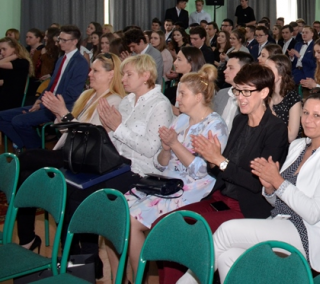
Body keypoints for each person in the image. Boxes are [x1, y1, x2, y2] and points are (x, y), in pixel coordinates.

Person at [177, 90, 320, 282]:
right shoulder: (298, 146)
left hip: (311, 235)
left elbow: (313, 213)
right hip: (283, 222)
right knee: (228, 256)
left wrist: (278, 181)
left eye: (317, 115)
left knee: (227, 231)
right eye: (305, 113)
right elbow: (277, 202)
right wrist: (270, 188)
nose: (308, 120)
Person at [157, 63, 290, 284]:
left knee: (183, 235)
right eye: (238, 91)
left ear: (264, 92)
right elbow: (221, 167)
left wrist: (219, 160)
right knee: (167, 226)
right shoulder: (239, 120)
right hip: (219, 197)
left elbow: (257, 184)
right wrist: (211, 158)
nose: (241, 98)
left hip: (246, 205)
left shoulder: (275, 129)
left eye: (247, 92)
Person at [116, 65, 228, 283]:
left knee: (131, 221)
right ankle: (130, 276)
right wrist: (166, 149)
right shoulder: (182, 120)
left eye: (182, 94)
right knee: (120, 210)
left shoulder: (215, 126)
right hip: (166, 183)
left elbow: (202, 171)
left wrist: (174, 144)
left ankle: (137, 279)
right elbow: (160, 164)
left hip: (191, 189)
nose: (177, 99)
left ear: (198, 97)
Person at [65, 54, 173, 267]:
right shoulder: (128, 100)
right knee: (70, 189)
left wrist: (117, 128)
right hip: (117, 166)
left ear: (146, 76)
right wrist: (107, 130)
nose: (123, 79)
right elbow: (115, 141)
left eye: (128, 74)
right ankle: (88, 262)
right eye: (123, 73)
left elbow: (151, 149)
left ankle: (89, 261)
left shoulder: (160, 104)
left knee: (85, 199)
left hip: (141, 172)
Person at [12, 53, 126, 253]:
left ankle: (72, 252)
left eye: (96, 70)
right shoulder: (88, 95)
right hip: (70, 152)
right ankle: (27, 238)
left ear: (111, 74)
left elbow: (91, 139)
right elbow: (69, 130)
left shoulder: (114, 100)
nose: (89, 74)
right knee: (24, 176)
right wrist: (59, 114)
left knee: (24, 158)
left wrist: (64, 113)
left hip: (83, 159)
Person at [0, 25, 89, 149]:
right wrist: (39, 99)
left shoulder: (80, 63)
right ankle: (25, 146)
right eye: (59, 39)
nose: (60, 43)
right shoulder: (61, 59)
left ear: (74, 41)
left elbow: (71, 94)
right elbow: (51, 86)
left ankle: (36, 150)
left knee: (19, 121)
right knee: (2, 116)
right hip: (47, 103)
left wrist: (43, 104)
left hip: (61, 107)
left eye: (64, 40)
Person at [213, 52, 255, 133]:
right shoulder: (221, 94)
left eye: (230, 68)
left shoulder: (251, 98)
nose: (225, 71)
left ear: (244, 70)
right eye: (226, 67)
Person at [0, 37, 33, 111]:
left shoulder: (22, 62)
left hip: (12, 98)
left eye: (4, 49)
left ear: (14, 48)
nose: (1, 52)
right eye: (0, 50)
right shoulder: (4, 62)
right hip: (4, 94)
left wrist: (14, 56)